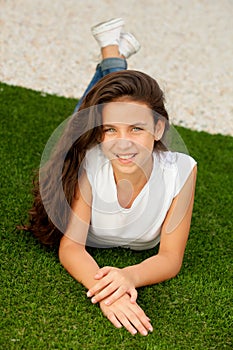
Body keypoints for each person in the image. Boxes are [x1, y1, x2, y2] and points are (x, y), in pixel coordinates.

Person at [22, 18, 197, 336]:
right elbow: (71, 247)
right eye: (109, 130)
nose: (123, 143)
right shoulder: (90, 159)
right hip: (87, 146)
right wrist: (106, 291)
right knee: (88, 112)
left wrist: (129, 276)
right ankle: (113, 57)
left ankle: (112, 56)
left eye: (138, 129)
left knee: (113, 105)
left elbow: (171, 257)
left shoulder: (182, 170)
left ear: (158, 129)